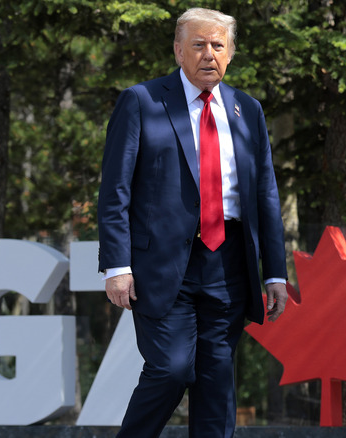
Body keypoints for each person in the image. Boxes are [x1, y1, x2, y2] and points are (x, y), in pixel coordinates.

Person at [97, 7, 289, 438]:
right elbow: (115, 192)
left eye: (218, 45)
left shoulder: (248, 110)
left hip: (229, 264)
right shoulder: (142, 101)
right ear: (178, 50)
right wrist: (117, 265)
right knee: (171, 368)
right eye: (199, 45)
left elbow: (265, 196)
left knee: (216, 382)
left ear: (231, 53)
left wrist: (274, 272)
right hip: (161, 268)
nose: (209, 54)